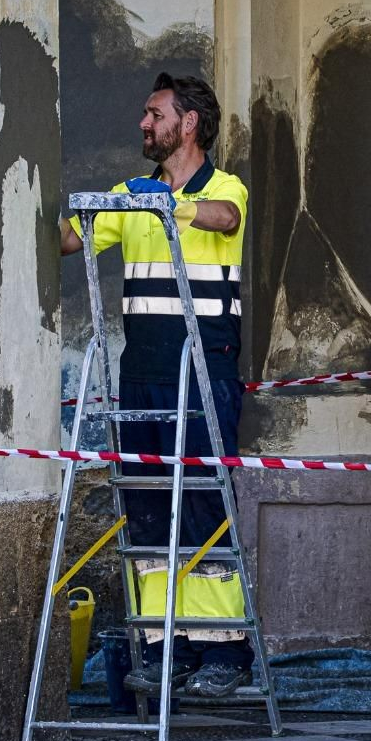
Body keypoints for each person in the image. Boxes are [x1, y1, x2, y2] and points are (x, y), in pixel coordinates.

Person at [59, 73, 252, 699]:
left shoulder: (225, 189)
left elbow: (224, 219)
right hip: (142, 371)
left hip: (204, 369)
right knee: (145, 509)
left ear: (188, 122)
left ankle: (222, 652)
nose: (144, 124)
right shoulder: (129, 194)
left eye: (155, 113)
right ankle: (163, 646)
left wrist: (169, 205)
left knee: (200, 503)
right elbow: (68, 240)